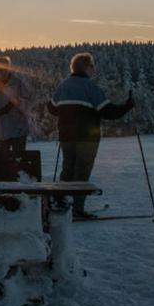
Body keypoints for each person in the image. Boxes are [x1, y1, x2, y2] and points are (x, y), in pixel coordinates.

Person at [47, 52, 134, 218]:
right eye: (92, 66)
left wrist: (67, 113)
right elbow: (108, 111)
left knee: (67, 170)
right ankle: (77, 210)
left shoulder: (63, 85)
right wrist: (127, 106)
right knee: (81, 173)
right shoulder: (90, 87)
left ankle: (61, 206)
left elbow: (51, 108)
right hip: (87, 138)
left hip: (66, 136)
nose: (93, 69)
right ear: (86, 67)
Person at [0, 56, 32, 156]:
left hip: (18, 131)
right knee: (1, 163)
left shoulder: (18, 84)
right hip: (0, 131)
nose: (1, 71)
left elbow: (26, 103)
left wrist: (9, 107)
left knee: (18, 162)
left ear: (8, 69)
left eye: (3, 69)